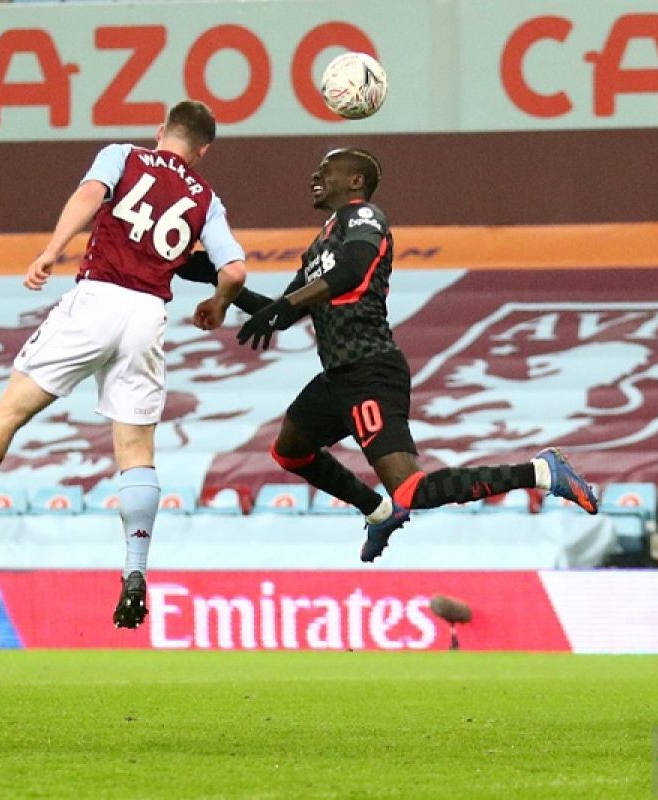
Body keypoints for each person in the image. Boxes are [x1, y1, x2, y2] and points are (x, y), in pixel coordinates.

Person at [0, 100, 248, 631]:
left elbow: (90, 195)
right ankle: (135, 571)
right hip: (148, 315)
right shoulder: (207, 198)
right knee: (136, 451)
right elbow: (235, 269)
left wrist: (52, 249)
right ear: (202, 151)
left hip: (97, 297)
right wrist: (218, 306)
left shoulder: (123, 156)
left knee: (12, 409)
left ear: (161, 132)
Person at [176, 148, 597, 562]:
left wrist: (280, 309)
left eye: (327, 169)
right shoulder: (319, 244)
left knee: (413, 489)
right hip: (337, 378)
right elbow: (285, 313)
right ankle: (377, 511)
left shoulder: (364, 217)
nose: (314, 176)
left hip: (370, 371)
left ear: (356, 182)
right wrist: (218, 282)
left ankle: (541, 472)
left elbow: (353, 271)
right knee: (290, 451)